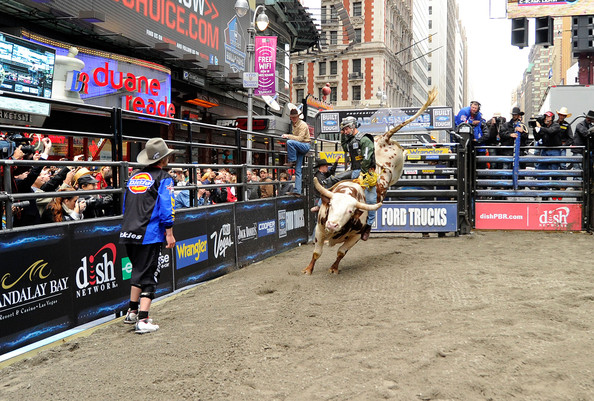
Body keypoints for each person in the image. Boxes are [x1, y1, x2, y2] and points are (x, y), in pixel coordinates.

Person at [120, 137, 177, 334]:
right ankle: (143, 319)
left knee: (138, 270)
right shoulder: (164, 178)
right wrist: (169, 232)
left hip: (129, 231)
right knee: (150, 274)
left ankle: (132, 311)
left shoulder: (134, 177)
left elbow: (125, 206)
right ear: (163, 160)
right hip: (149, 233)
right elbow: (166, 207)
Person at [340, 116, 377, 241]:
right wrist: (342, 136)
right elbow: (345, 148)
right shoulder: (350, 141)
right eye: (343, 130)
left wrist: (363, 173)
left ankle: (368, 226)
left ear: (352, 127)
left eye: (346, 129)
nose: (345, 132)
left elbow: (367, 157)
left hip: (366, 173)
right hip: (354, 171)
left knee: (371, 200)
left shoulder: (365, 139)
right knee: (335, 182)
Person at [282, 108, 311, 195]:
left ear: (298, 117)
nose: (293, 119)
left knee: (289, 142)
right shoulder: (295, 125)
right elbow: (298, 139)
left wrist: (288, 136)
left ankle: (292, 160)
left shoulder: (303, 125)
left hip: (304, 145)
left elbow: (300, 138)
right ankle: (297, 191)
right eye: (292, 117)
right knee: (298, 171)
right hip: (301, 146)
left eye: (295, 117)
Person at [573, 109, 594, 174]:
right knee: (578, 170)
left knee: (586, 170)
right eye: (588, 118)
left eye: (591, 119)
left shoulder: (590, 126)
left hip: (587, 152)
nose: (589, 120)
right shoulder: (580, 125)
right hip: (579, 151)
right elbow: (585, 133)